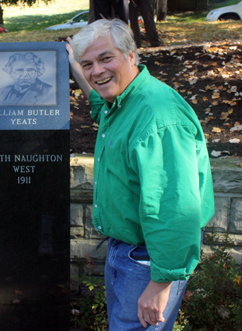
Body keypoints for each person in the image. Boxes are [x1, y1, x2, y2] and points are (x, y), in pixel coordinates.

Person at [66, 19, 214, 330]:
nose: (97, 72)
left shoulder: (158, 118)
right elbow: (98, 102)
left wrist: (161, 284)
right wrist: (75, 65)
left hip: (149, 258)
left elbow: (174, 208)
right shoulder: (119, 102)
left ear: (132, 55)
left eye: (106, 58)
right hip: (127, 249)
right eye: (87, 64)